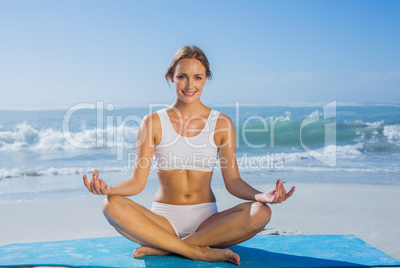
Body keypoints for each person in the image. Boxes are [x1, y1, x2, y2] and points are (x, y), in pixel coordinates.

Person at [83, 45, 295, 265]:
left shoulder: (221, 124)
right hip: (162, 220)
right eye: (182, 76)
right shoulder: (153, 122)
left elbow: (233, 182)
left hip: (207, 221)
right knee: (110, 205)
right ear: (171, 77)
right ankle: (196, 251)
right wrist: (110, 189)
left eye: (197, 77)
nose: (190, 85)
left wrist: (261, 196)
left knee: (261, 212)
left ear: (206, 79)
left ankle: (167, 247)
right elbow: (137, 182)